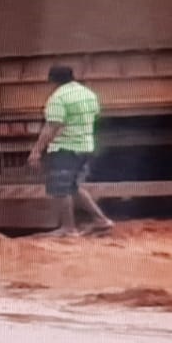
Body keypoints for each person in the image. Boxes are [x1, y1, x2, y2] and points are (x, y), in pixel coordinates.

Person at [26, 65, 113, 236]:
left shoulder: (58, 98)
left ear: (53, 81)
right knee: (73, 186)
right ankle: (101, 221)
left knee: (61, 188)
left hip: (65, 148)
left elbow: (52, 125)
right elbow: (94, 115)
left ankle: (68, 228)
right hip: (86, 146)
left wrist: (36, 151)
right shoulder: (88, 94)